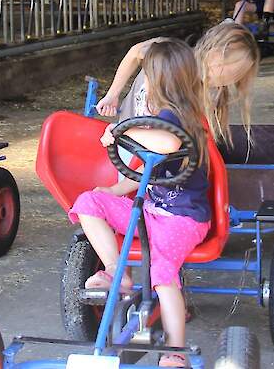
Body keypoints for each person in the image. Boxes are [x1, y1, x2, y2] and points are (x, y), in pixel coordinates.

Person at [69, 40, 212, 368]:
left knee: (162, 271)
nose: (143, 83)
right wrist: (114, 188)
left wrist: (121, 133)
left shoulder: (178, 117)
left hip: (183, 218)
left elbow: (167, 144)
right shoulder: (155, 118)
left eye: (148, 76)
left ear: (162, 81)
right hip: (151, 208)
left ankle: (176, 351)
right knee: (89, 202)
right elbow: (147, 168)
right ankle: (116, 271)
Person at [95, 20, 260, 149]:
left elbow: (184, 140)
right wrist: (112, 95)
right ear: (214, 52)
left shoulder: (211, 95)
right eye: (231, 72)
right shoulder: (166, 53)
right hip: (127, 139)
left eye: (237, 76)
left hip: (157, 152)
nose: (231, 81)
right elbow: (134, 53)